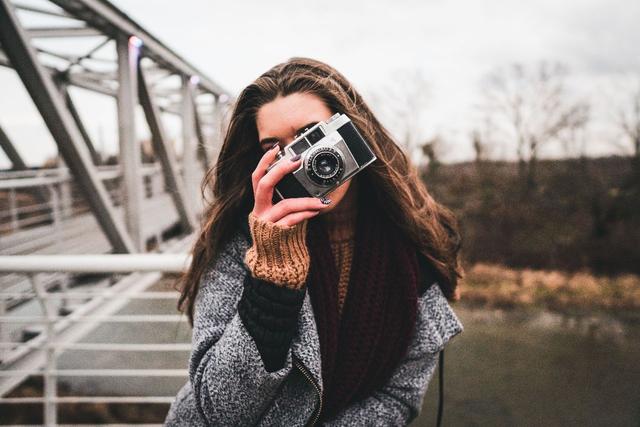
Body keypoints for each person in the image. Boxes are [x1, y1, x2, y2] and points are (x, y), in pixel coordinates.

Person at [164, 57, 464, 426]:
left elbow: (398, 397)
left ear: (353, 132)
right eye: (274, 148)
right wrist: (270, 280)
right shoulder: (239, 239)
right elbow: (221, 411)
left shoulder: (411, 248)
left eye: (312, 136)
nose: (301, 161)